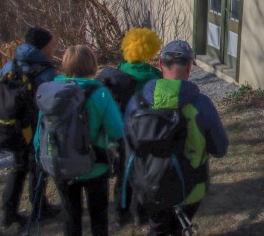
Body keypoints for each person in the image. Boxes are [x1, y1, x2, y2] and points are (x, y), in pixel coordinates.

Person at [124, 40, 228, 236]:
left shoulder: (137, 103)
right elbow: (220, 149)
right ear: (189, 67)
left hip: (149, 185)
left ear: (160, 64)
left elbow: (127, 144)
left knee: (157, 227)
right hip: (190, 189)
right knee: (179, 228)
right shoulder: (202, 104)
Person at [35, 45, 123, 236]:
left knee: (70, 215)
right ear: (92, 64)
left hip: (61, 163)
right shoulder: (100, 93)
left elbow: (39, 132)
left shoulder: (51, 93)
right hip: (95, 164)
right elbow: (117, 130)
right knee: (98, 216)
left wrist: (40, 158)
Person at [0, 26, 60, 228]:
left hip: (12, 125)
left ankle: (9, 213)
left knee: (18, 167)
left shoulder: (10, 65)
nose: (54, 47)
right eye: (51, 43)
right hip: (34, 127)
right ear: (43, 46)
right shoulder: (46, 71)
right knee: (37, 167)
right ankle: (40, 207)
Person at [114, 28, 162, 225]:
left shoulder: (119, 70)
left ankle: (119, 212)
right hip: (144, 129)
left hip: (122, 128)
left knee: (122, 171)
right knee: (143, 172)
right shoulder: (154, 75)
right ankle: (140, 214)